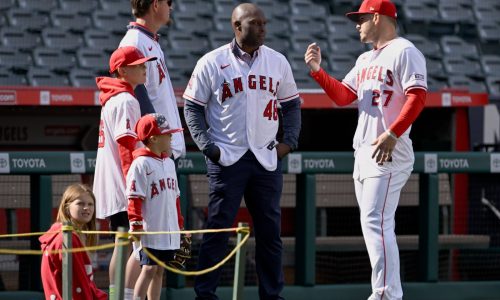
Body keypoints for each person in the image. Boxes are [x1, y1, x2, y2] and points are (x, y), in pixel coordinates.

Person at [304, 0, 427, 299]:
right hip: (365, 152)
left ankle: (386, 294)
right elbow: (344, 96)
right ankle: (386, 292)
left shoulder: (405, 51)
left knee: (377, 222)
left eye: (360, 19)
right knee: (374, 224)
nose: (356, 25)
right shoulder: (364, 60)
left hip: (388, 150)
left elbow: (417, 95)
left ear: (377, 16)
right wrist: (318, 72)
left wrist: (393, 133)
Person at [183, 3, 301, 299]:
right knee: (218, 229)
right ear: (237, 26)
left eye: (264, 23)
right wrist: (208, 147)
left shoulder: (277, 61)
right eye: (255, 23)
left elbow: (291, 104)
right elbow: (192, 107)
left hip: (266, 157)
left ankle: (271, 295)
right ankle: (205, 294)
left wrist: (290, 142)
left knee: (270, 234)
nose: (262, 29)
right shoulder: (212, 61)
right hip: (227, 158)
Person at [92, 46, 156, 297]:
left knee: (123, 244)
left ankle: (118, 294)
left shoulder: (115, 97)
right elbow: (127, 148)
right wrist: (135, 186)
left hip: (112, 183)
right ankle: (124, 296)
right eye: (139, 64)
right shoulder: (127, 100)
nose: (144, 68)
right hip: (122, 184)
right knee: (133, 245)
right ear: (122, 70)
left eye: (144, 63)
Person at [126, 113, 185, 300]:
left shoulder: (169, 163)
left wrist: (179, 224)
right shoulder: (140, 164)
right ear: (153, 138)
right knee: (149, 269)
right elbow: (134, 197)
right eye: (167, 134)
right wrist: (135, 224)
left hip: (168, 229)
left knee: (159, 270)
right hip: (150, 228)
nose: (171, 137)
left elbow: (176, 197)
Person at [119, 0, 186, 160]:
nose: (171, 7)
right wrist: (160, 145)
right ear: (155, 4)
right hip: (156, 150)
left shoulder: (148, 40)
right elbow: (139, 98)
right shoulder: (134, 42)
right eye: (168, 2)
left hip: (163, 147)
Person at [40, 183, 107, 300]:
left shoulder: (71, 235)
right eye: (80, 203)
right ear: (67, 207)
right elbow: (79, 285)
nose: (87, 208)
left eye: (90, 204)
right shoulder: (67, 238)